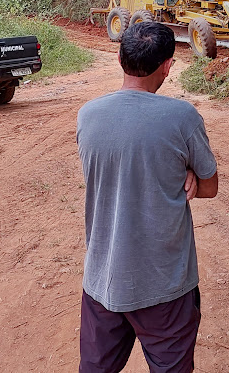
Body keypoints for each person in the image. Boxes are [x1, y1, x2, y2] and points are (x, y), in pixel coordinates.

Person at [77, 22, 218, 373]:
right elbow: (210, 186)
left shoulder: (88, 115)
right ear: (167, 66)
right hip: (165, 287)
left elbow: (119, 171)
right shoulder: (182, 117)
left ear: (119, 57)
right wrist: (189, 175)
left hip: (102, 282)